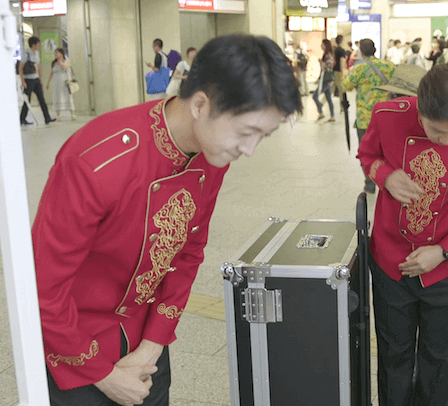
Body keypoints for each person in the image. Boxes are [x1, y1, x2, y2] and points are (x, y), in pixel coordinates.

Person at [34, 34, 301, 406]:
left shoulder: (211, 152)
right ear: (201, 105)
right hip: (76, 349)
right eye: (246, 133)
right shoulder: (96, 161)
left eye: (264, 137)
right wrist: (104, 375)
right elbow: (44, 285)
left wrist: (154, 343)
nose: (250, 151)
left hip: (147, 344)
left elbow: (187, 252)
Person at [358, 64, 448, 406]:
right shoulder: (387, 115)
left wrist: (446, 250)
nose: (446, 140)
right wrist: (387, 176)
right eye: (436, 130)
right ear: (419, 108)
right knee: (394, 355)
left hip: (447, 268)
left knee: (438, 361)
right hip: (391, 260)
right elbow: (367, 155)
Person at [342, 39, 395, 194]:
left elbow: (346, 86)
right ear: (375, 49)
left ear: (361, 52)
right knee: (386, 151)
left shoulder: (360, 69)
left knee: (367, 152)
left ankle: (370, 183)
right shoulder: (389, 66)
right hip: (386, 117)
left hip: (365, 119)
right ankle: (386, 180)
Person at [19, 36, 55, 125]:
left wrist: (41, 78)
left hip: (36, 80)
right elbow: (20, 68)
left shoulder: (37, 53)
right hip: (28, 80)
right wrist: (23, 81)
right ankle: (22, 119)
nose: (39, 45)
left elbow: (38, 66)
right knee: (27, 100)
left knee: (42, 99)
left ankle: (47, 118)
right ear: (34, 45)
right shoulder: (26, 54)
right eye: (38, 44)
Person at [46, 48, 75, 121]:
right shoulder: (53, 63)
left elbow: (65, 68)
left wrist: (60, 62)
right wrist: (48, 82)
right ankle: (58, 115)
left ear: (62, 54)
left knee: (68, 96)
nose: (55, 54)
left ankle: (72, 114)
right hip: (56, 82)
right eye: (55, 53)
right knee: (57, 97)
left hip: (65, 82)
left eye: (57, 53)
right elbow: (51, 73)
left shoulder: (67, 61)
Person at [313, 39, 336, 122]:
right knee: (329, 98)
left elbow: (330, 66)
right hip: (327, 79)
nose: (321, 46)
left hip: (326, 80)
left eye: (322, 44)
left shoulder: (328, 55)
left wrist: (322, 63)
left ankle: (320, 111)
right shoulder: (327, 54)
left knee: (314, 95)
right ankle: (332, 116)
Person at [333, 35, 348, 111]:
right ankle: (342, 106)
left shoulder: (334, 50)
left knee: (331, 89)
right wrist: (343, 73)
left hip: (334, 71)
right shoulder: (341, 50)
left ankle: (321, 103)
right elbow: (342, 62)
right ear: (342, 41)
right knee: (341, 89)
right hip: (339, 71)